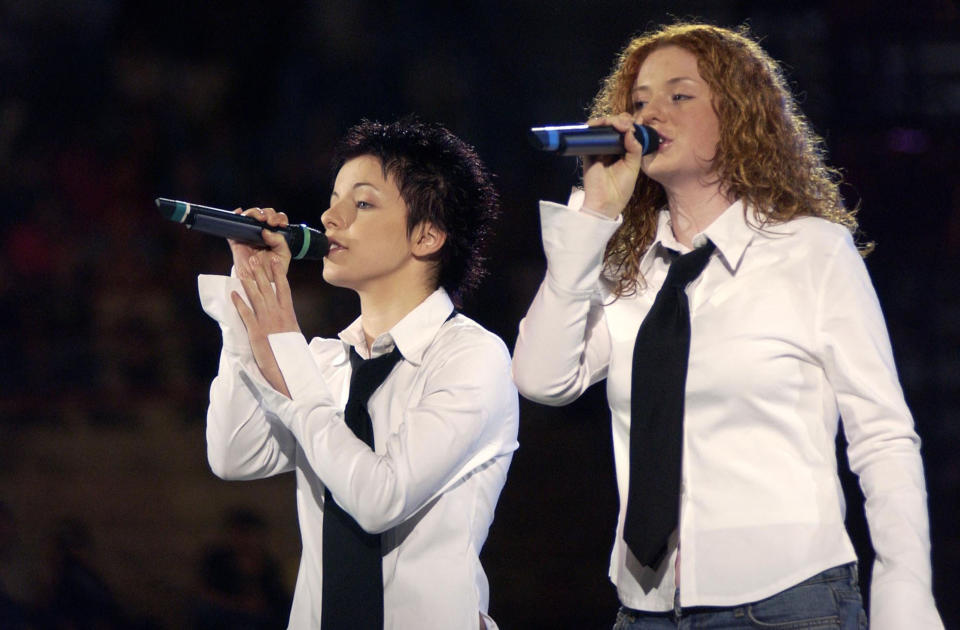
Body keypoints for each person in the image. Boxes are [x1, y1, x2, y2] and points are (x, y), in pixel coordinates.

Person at [511, 22, 943, 630]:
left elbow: (882, 436)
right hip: (646, 609)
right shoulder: (625, 270)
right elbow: (540, 379)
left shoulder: (810, 251)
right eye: (638, 102)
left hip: (786, 600)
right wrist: (594, 216)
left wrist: (906, 597)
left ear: (738, 115)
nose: (651, 112)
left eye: (679, 95)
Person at [198, 119, 518, 629]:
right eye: (334, 198)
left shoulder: (473, 357)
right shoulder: (322, 361)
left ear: (428, 235)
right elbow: (234, 454)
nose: (330, 216)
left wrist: (285, 348)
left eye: (362, 203)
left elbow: (381, 498)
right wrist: (250, 303)